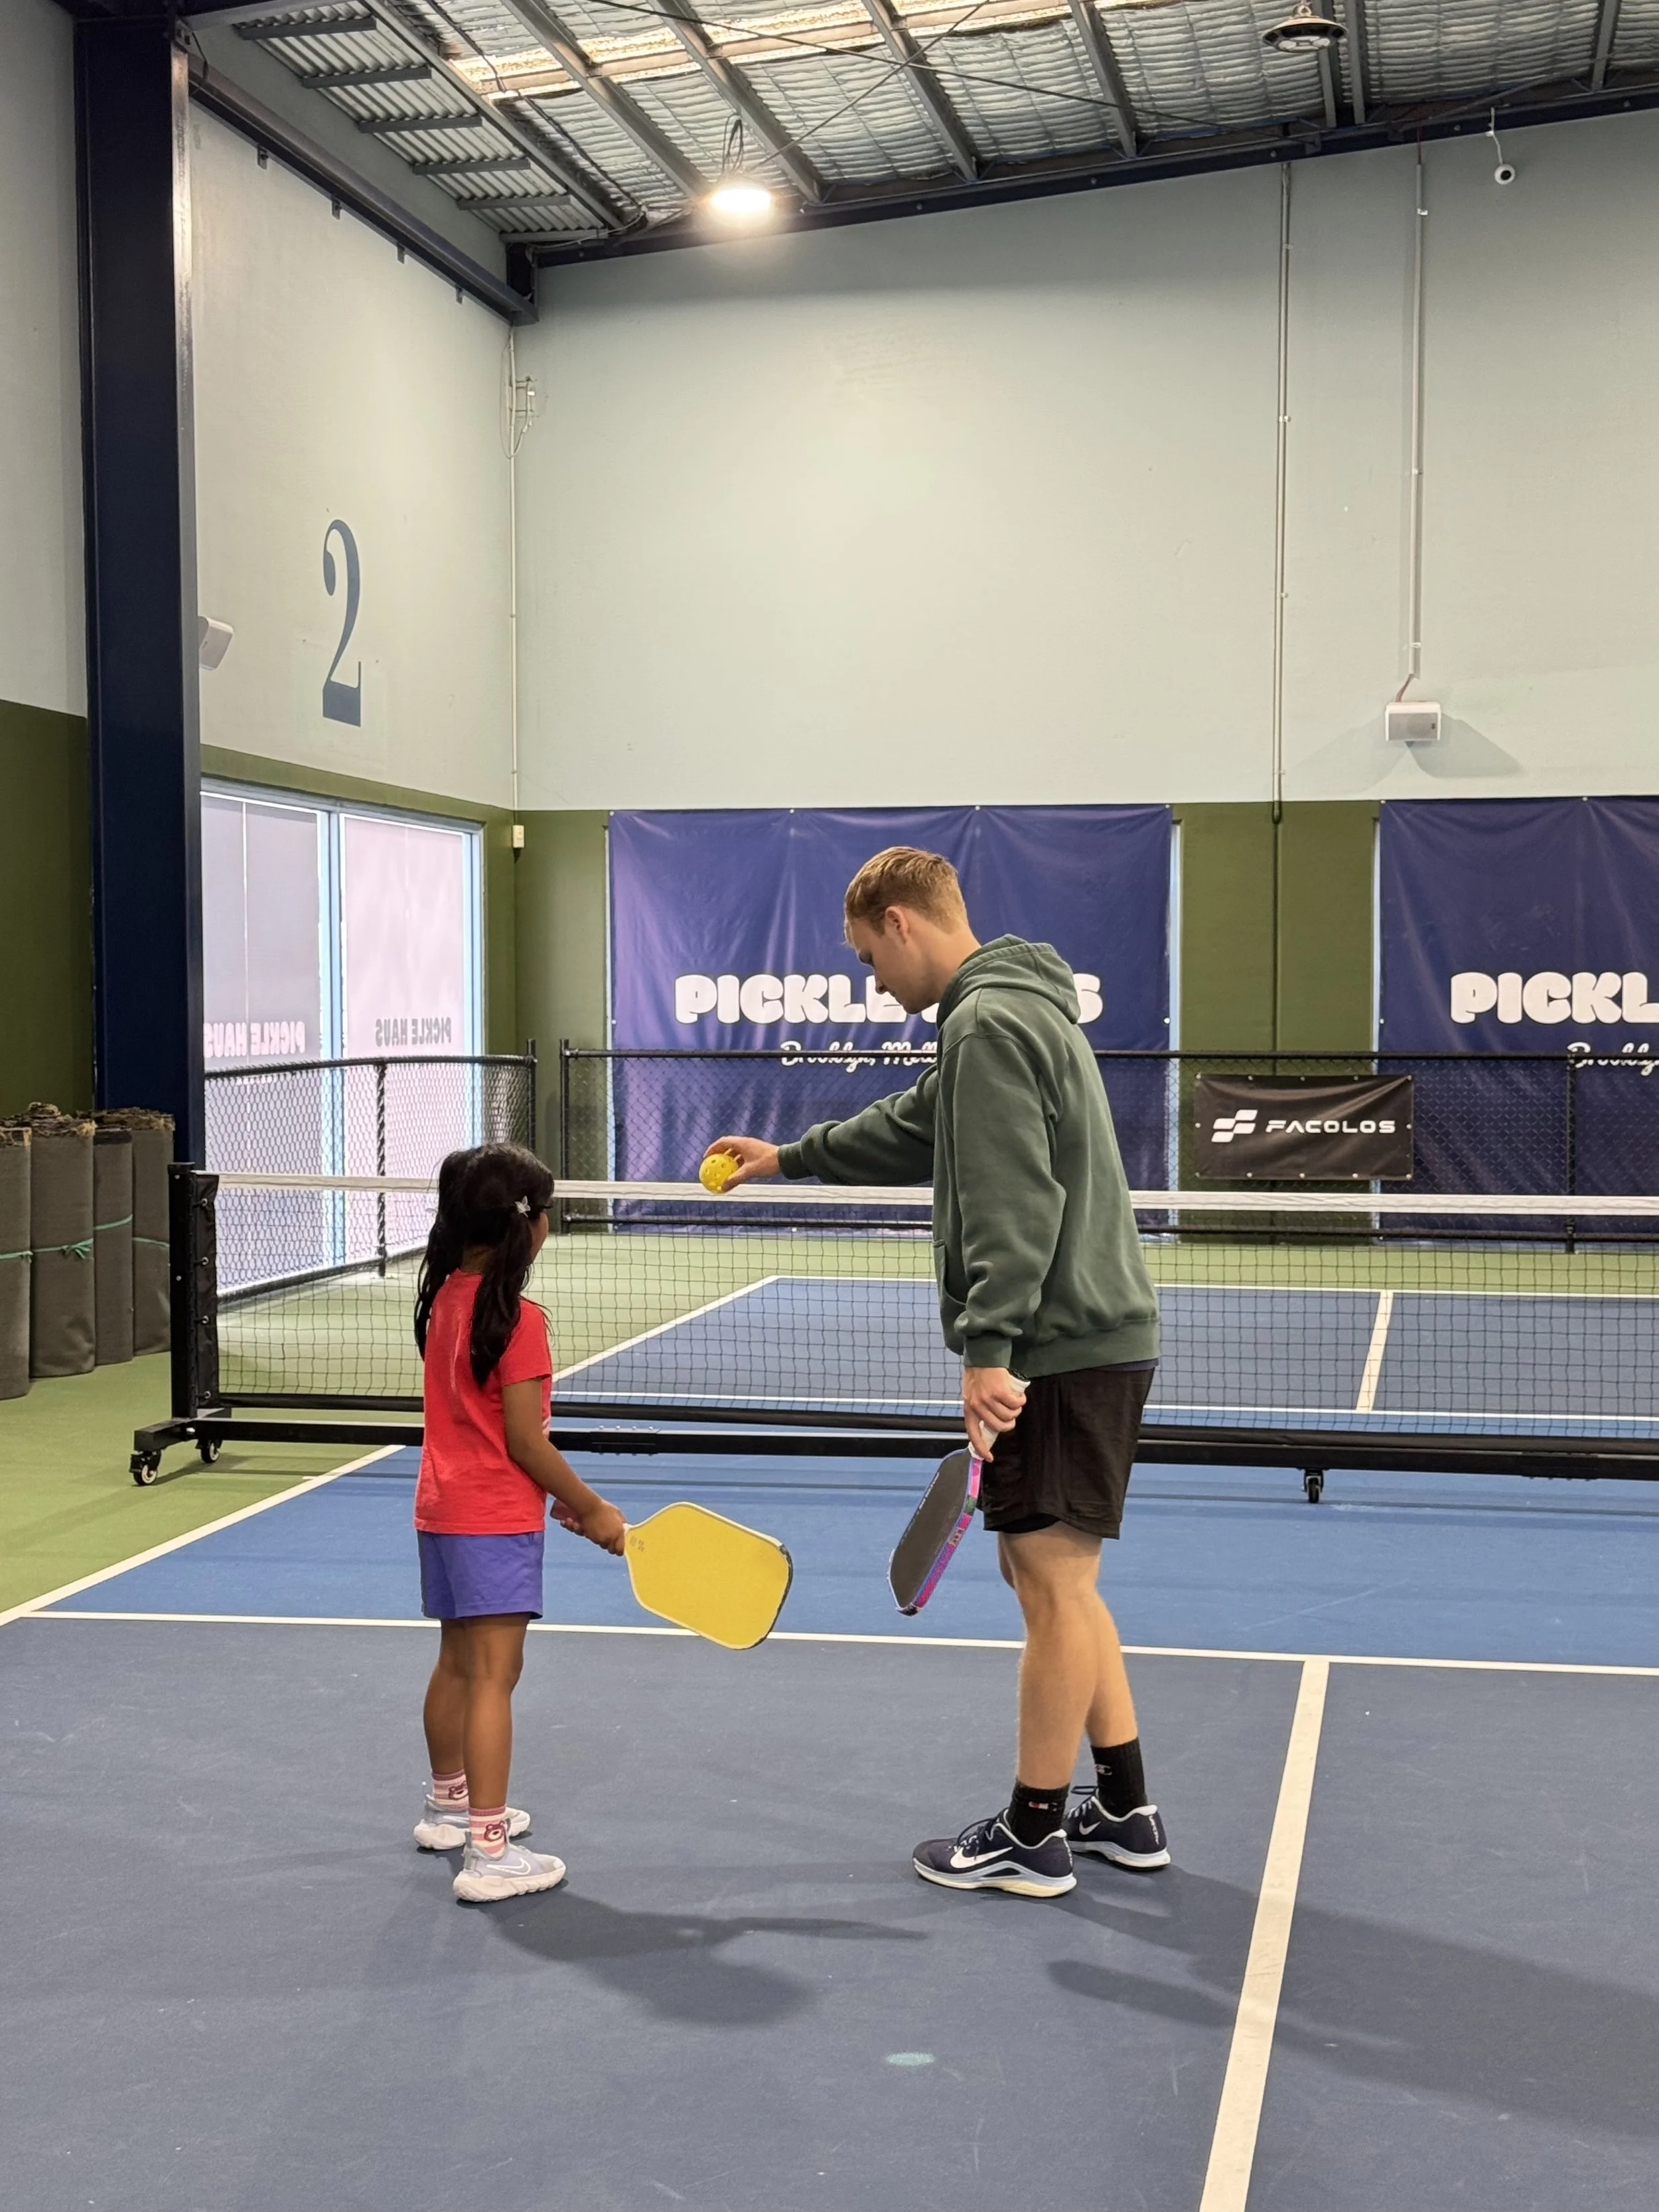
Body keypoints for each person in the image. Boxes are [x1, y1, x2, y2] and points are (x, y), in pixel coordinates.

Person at [707, 847, 1168, 1899]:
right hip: (1095, 1334)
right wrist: (794, 1157)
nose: (877, 984)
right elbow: (921, 1127)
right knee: (1055, 1579)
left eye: (873, 960)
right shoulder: (1011, 1012)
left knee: (1051, 1586)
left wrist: (989, 1354)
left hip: (1058, 1342)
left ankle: (1034, 1831)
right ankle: (1127, 1806)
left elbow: (1018, 1204)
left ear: (904, 922)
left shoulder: (987, 1023)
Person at [410, 1142, 626, 1904]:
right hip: (494, 1521)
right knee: (496, 1679)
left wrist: (559, 1498)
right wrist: (593, 1507)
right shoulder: (519, 1320)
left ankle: (447, 1805)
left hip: (441, 1510)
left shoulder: (442, 1300)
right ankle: (489, 1851)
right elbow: (525, 1440)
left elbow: (485, 1433)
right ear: (527, 1225)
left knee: (458, 1665)